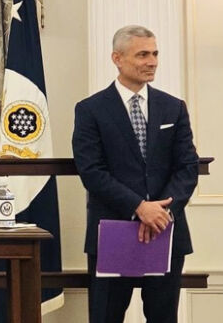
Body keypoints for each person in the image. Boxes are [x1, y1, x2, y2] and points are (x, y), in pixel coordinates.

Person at [72, 25, 199, 323]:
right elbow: (91, 171)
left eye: (155, 54)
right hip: (113, 230)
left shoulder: (173, 108)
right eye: (143, 55)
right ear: (117, 58)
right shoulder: (90, 110)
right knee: (106, 317)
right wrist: (139, 207)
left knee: (163, 317)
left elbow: (187, 167)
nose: (152, 62)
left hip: (164, 229)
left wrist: (160, 213)